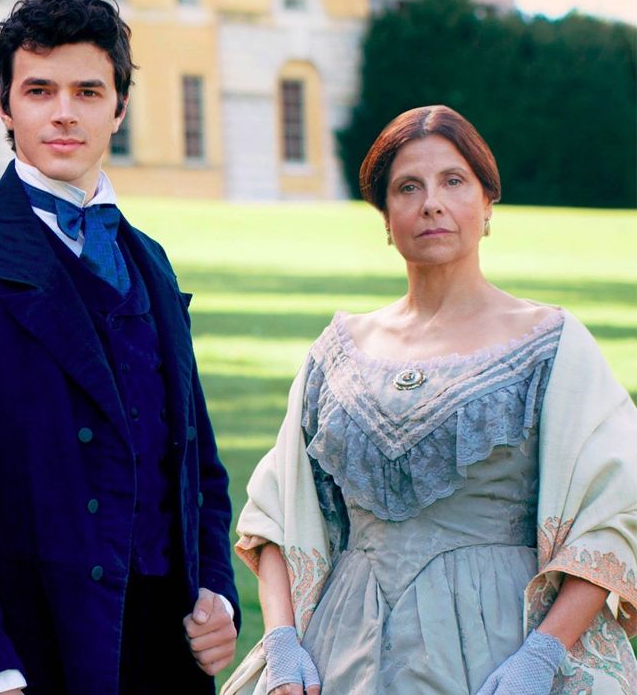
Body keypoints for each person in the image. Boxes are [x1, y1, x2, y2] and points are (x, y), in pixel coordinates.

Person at [0, 0, 239, 692]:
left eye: (87, 91)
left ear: (121, 106)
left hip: (165, 651)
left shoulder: (152, 263)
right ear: (3, 104)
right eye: (39, 90)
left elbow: (198, 462)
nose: (64, 113)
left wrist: (217, 592)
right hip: (36, 654)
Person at [223, 105, 637, 695]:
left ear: (488, 204)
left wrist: (541, 656)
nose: (431, 204)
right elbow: (277, 517)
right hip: (343, 652)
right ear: (386, 218)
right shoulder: (336, 352)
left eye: (453, 182)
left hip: (499, 650)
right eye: (407, 187)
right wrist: (285, 645)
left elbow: (612, 517)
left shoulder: (553, 343)